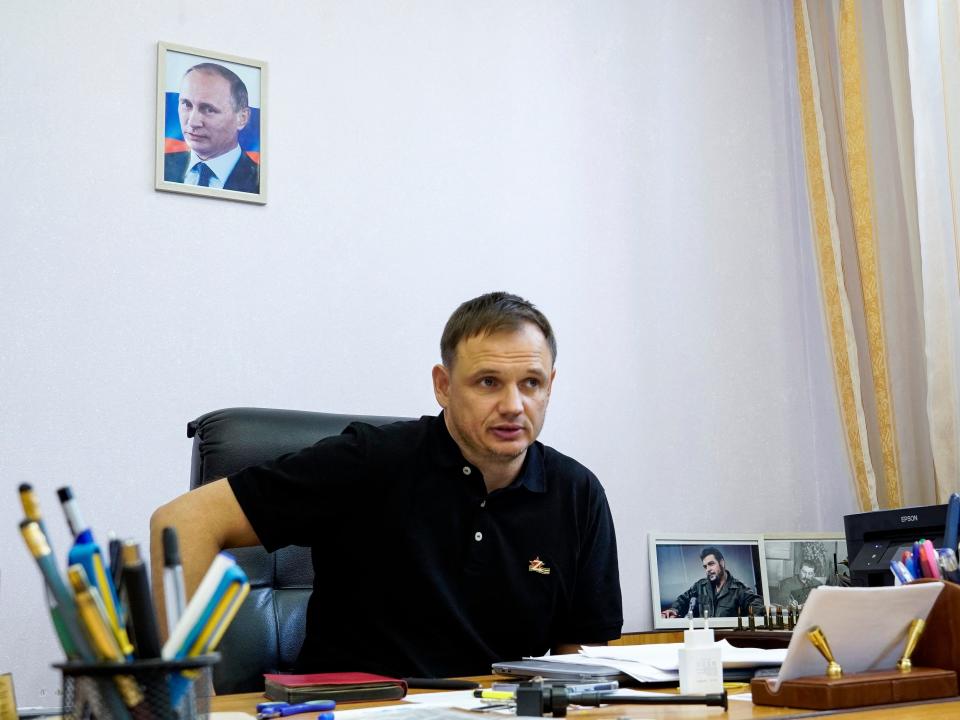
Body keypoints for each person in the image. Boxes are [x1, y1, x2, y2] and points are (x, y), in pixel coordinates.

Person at [150, 291, 622, 678]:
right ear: (443, 385)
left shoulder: (578, 493)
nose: (514, 405)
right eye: (488, 382)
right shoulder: (369, 460)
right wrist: (182, 690)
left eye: (531, 383)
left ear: (551, 386)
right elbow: (183, 521)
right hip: (354, 711)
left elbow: (579, 657)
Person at [163, 62, 260, 193]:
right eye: (186, 104)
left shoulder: (260, 183)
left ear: (242, 118)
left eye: (209, 109)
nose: (193, 122)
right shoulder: (162, 166)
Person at [660, 546, 764, 619]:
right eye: (705, 566)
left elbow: (757, 605)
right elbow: (683, 599)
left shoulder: (739, 589)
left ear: (722, 563)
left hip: (725, 638)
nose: (708, 569)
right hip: (704, 636)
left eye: (711, 564)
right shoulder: (700, 586)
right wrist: (674, 610)